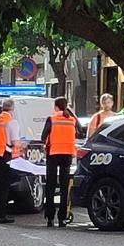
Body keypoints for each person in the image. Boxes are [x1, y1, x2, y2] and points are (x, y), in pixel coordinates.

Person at [41, 96, 79, 227]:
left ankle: (50, 218)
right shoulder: (72, 119)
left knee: (51, 186)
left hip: (53, 153)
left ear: (56, 107)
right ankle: (62, 218)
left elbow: (43, 137)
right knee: (64, 188)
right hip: (68, 154)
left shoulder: (52, 119)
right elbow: (79, 132)